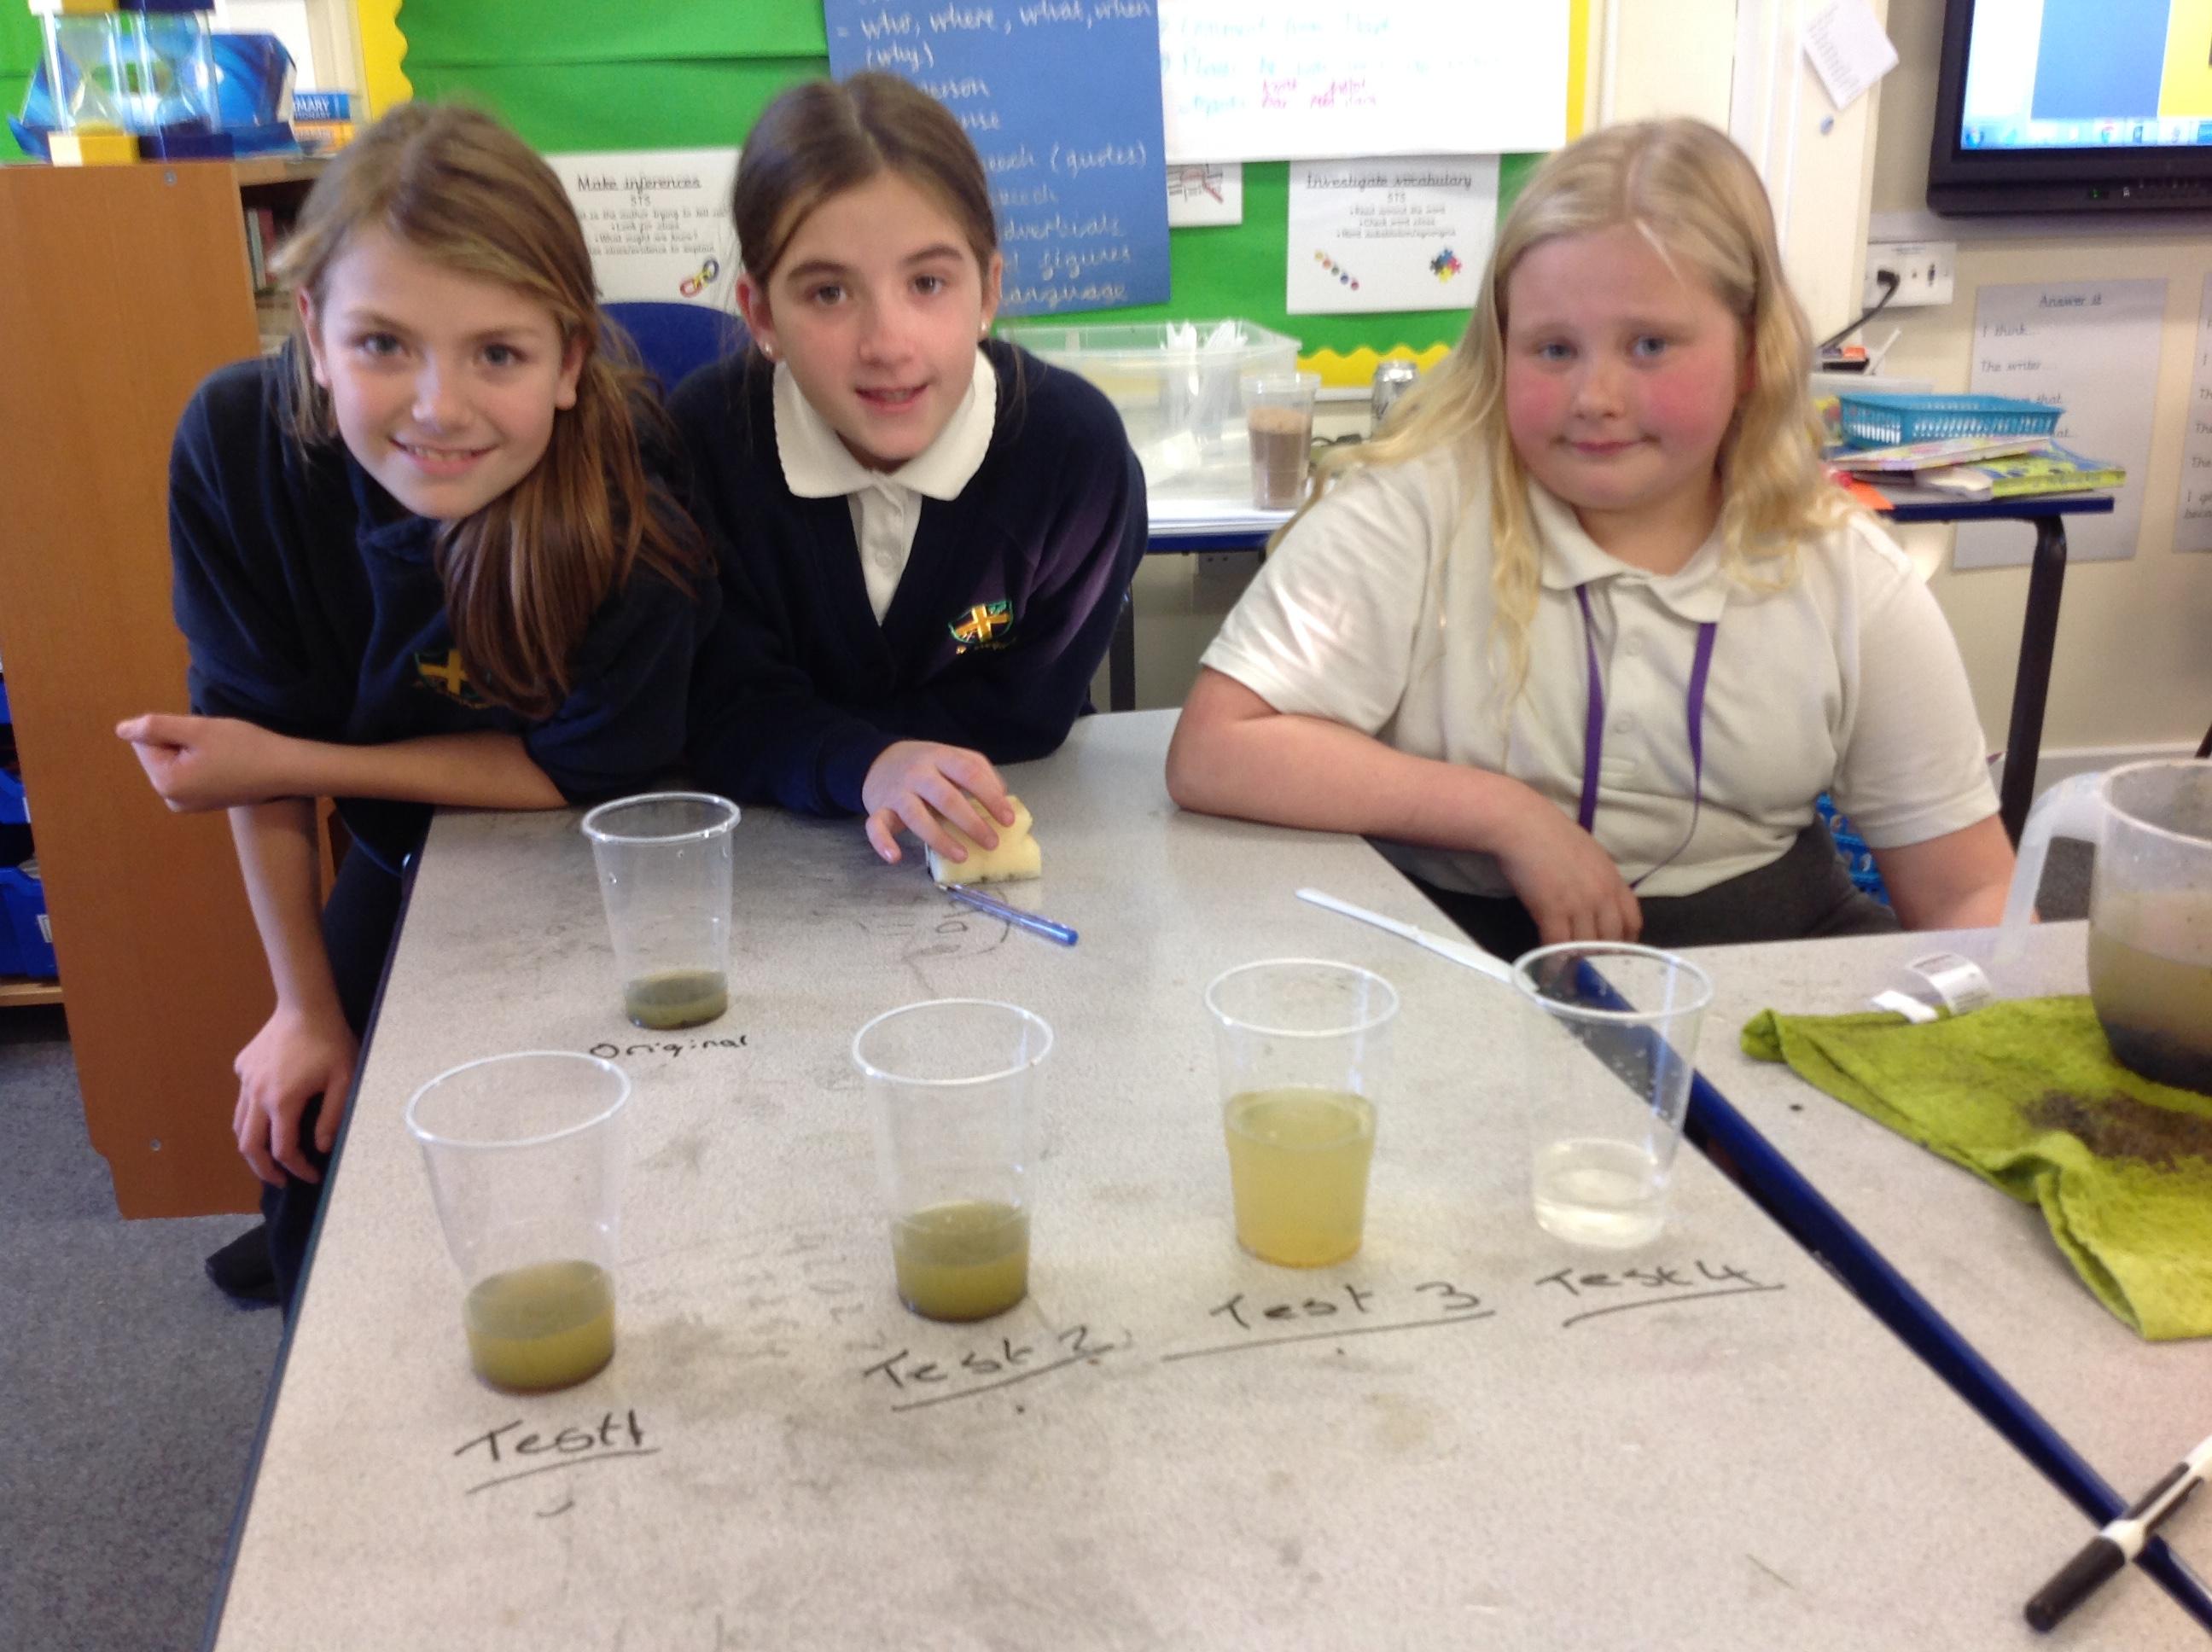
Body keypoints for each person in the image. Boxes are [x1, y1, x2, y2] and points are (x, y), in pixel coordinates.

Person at [117, 102, 717, 1312]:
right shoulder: (236, 446)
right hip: (399, 855)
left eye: (498, 354)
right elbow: (248, 757)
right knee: (311, 1145)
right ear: (313, 334)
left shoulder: (631, 505)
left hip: (598, 851)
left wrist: (292, 759)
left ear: (569, 361)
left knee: (625, 1168)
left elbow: (572, 772)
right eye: (384, 344)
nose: (439, 407)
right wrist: (302, 1009)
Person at [1167, 118, 2014, 960]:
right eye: (1553, 349)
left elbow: (1964, 889)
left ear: (1754, 353)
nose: (1595, 397)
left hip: (1764, 946)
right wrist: (1506, 815)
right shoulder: (1411, 511)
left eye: (1650, 345)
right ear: (1501, 352)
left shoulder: (1844, 570)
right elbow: (1215, 750)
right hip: (1462, 948)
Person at [673, 73, 1145, 870]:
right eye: (828, 292)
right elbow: (720, 707)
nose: (887, 344)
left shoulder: (1076, 458)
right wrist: (869, 765)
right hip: (766, 862)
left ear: (988, 290)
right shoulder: (701, 445)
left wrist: (837, 741)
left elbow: (1030, 711)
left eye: (928, 283)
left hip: (1012, 833)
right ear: (762, 315)